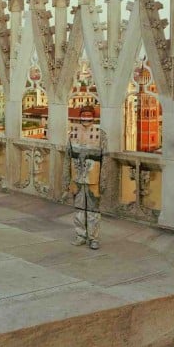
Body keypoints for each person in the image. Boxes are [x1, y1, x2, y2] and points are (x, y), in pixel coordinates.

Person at [62, 105, 108, 250]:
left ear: (93, 116)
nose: (86, 117)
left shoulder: (101, 134)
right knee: (79, 209)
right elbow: (67, 157)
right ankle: (81, 235)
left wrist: (104, 181)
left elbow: (105, 159)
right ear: (80, 115)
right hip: (77, 179)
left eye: (89, 114)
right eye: (84, 114)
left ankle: (93, 238)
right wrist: (66, 178)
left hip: (93, 179)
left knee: (94, 210)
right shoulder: (72, 133)